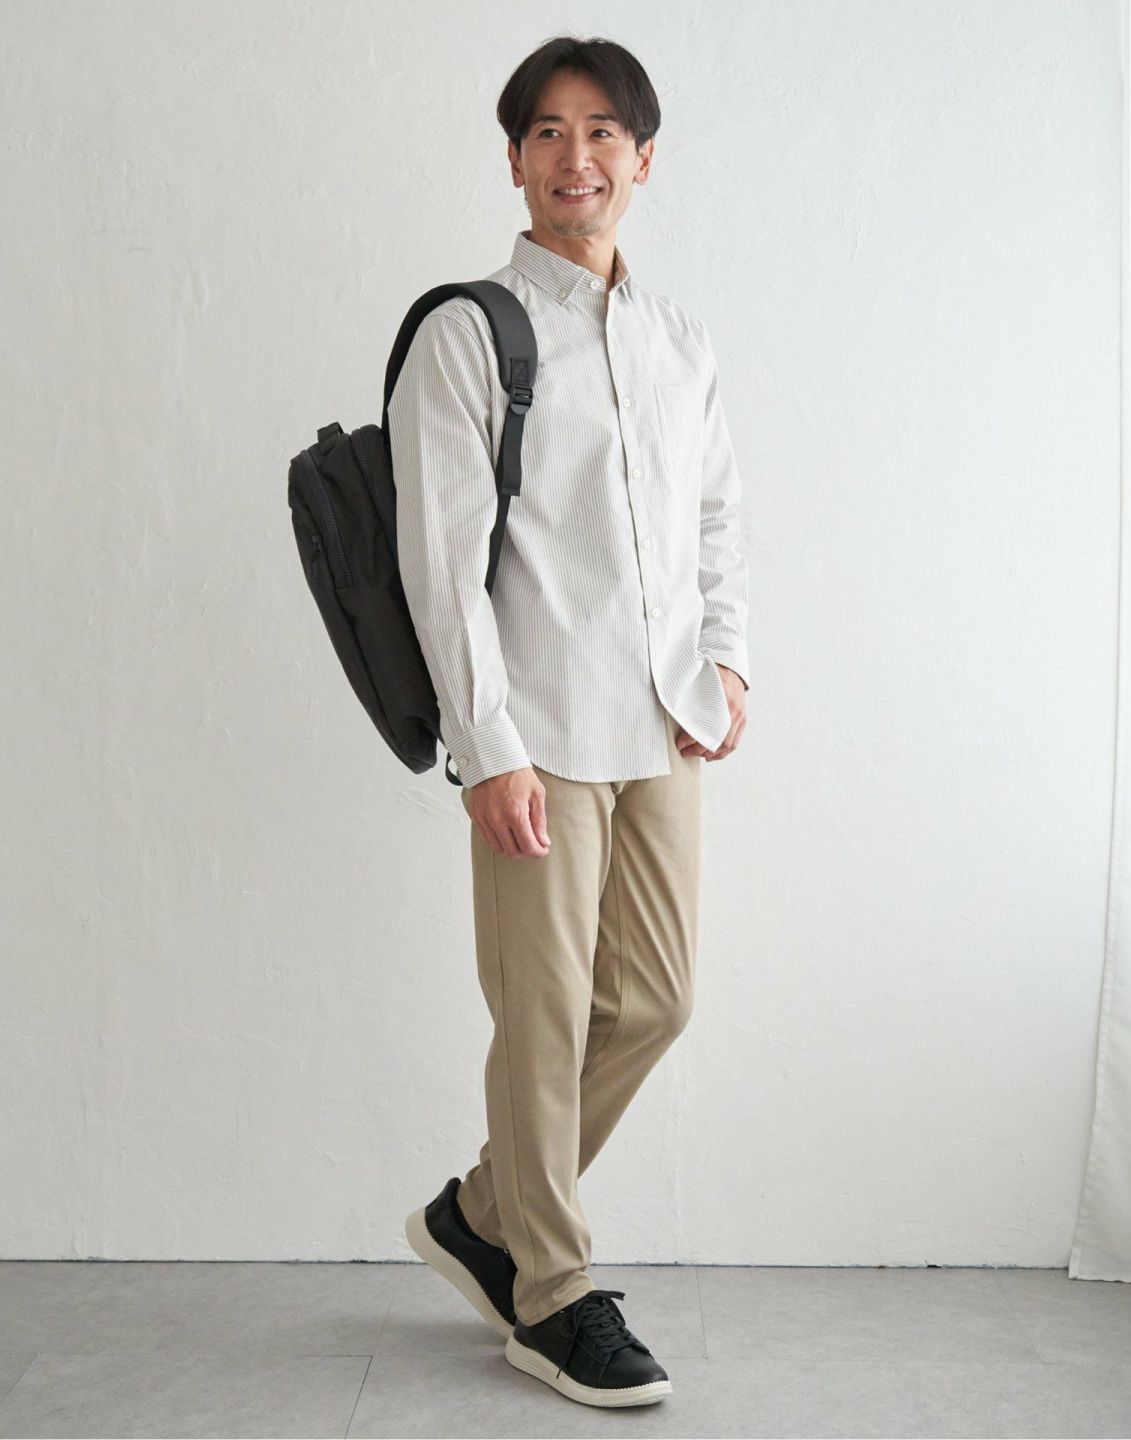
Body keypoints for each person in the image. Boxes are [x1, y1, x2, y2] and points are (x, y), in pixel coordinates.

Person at [393, 34, 751, 1410]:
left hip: (662, 722)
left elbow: (715, 516)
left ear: (643, 159)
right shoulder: (468, 333)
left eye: (603, 132)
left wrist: (727, 663)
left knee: (654, 1000)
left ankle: (484, 1213)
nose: (576, 156)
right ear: (515, 161)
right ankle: (549, 1292)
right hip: (535, 727)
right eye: (548, 132)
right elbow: (441, 561)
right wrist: (486, 749)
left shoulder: (678, 340)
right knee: (541, 1022)